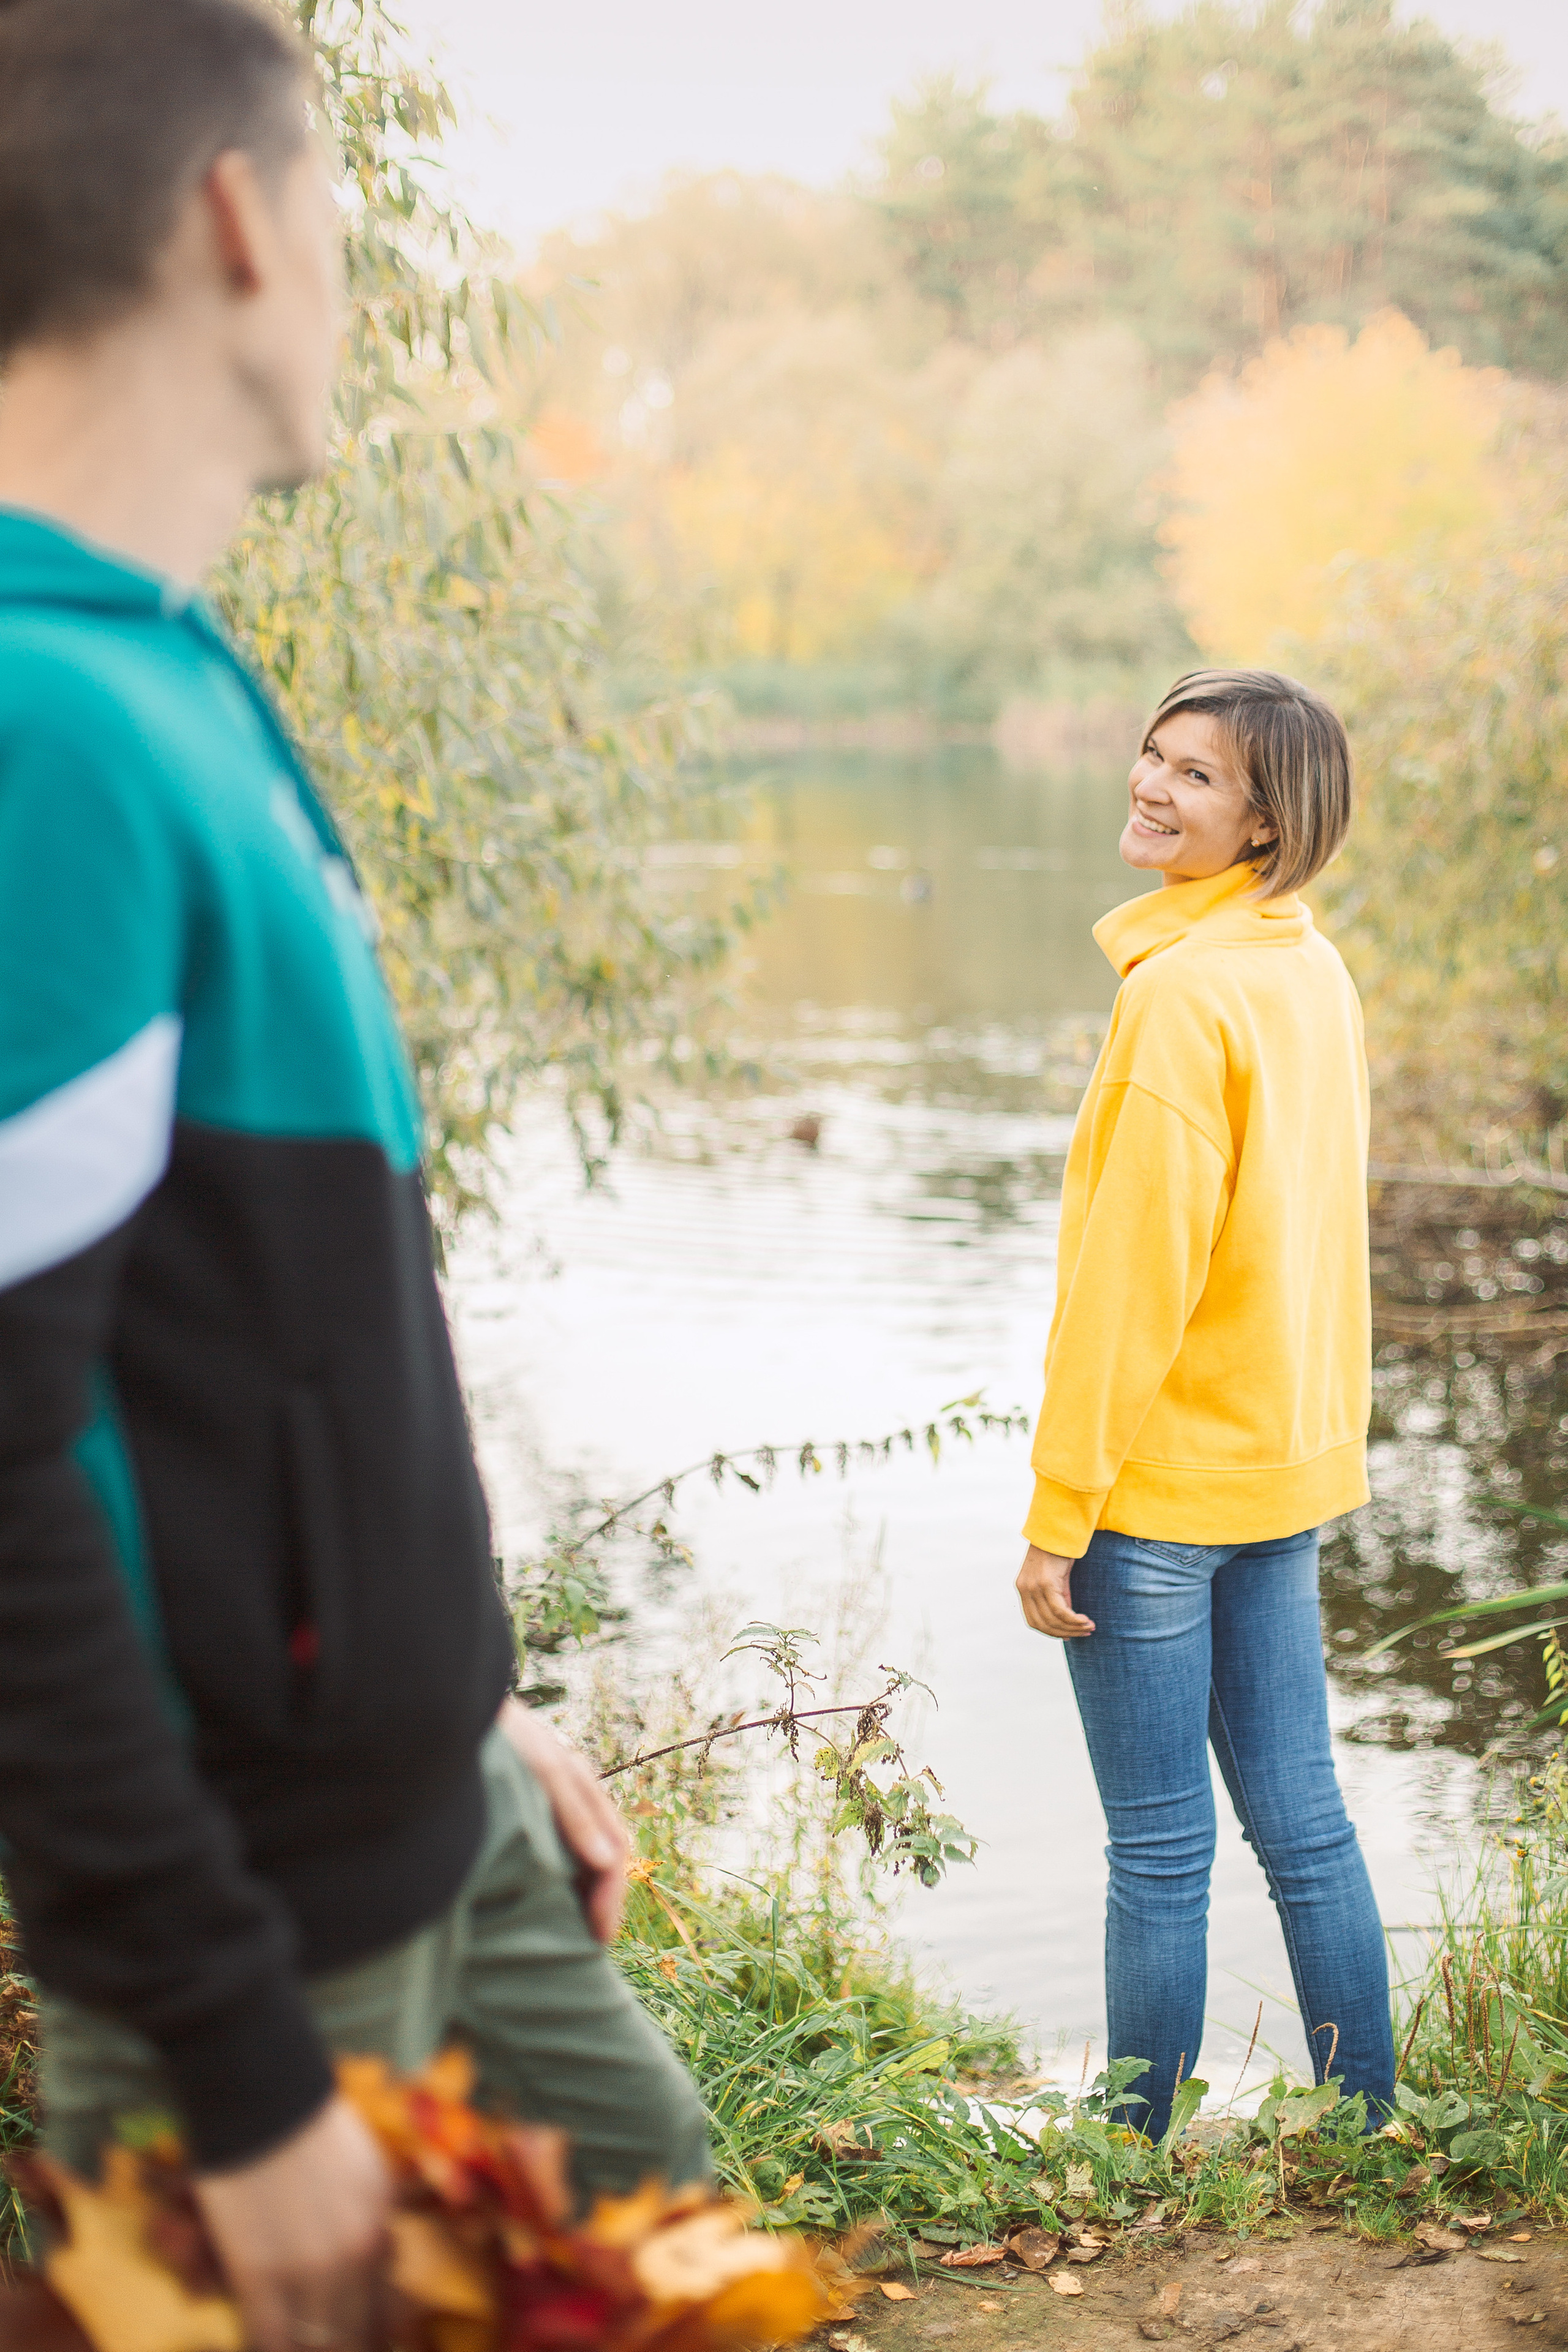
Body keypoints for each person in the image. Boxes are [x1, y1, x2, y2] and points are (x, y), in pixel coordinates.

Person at [0, 3, 709, 2346]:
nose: (351, 281)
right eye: (339, 216)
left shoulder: (168, 673)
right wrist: (228, 2050)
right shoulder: (35, 722)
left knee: (686, 2281)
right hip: (268, 1939)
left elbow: (254, 1336)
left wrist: (462, 1692)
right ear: (234, 217)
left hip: (443, 1822)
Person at [1014, 669, 1395, 2141]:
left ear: (1262, 821)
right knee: (1302, 1824)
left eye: (1193, 776)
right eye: (1149, 756)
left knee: (1159, 1852)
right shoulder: (1305, 964)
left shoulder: (1180, 997)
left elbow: (1132, 1286)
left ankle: (1127, 2156)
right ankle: (1369, 2126)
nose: (1149, 786)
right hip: (1279, 1479)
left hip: (1161, 1497)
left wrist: (1061, 1515)